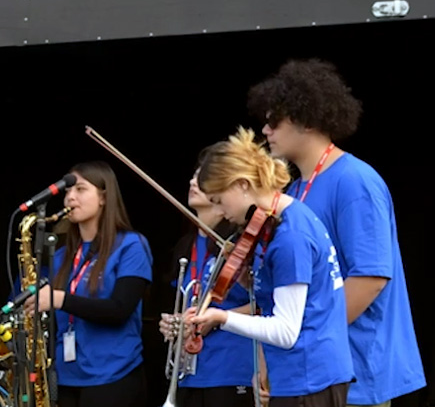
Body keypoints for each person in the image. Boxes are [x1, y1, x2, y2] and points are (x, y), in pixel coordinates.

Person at [247, 59, 425, 407]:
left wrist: (301, 338)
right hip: (308, 373)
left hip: (353, 374)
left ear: (306, 118)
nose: (265, 131)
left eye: (273, 120)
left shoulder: (354, 181)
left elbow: (371, 277)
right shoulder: (294, 192)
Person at [184, 127, 354, 406]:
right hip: (301, 374)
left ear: (242, 184)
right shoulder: (285, 220)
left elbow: (286, 332)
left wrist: (221, 318)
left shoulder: (290, 237)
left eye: (219, 201)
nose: (223, 212)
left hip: (309, 377)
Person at [18, 160, 152, 407]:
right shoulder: (59, 256)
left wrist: (59, 299)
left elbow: (120, 309)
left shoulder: (131, 245)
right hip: (67, 378)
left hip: (114, 376)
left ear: (104, 197)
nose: (70, 197)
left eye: (80, 189)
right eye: (68, 191)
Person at [157, 169, 253, 407]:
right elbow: (185, 302)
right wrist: (174, 324)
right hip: (189, 374)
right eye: (192, 176)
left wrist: (218, 318)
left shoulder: (240, 244)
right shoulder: (185, 245)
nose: (192, 181)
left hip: (231, 369)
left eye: (202, 178)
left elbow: (267, 304)